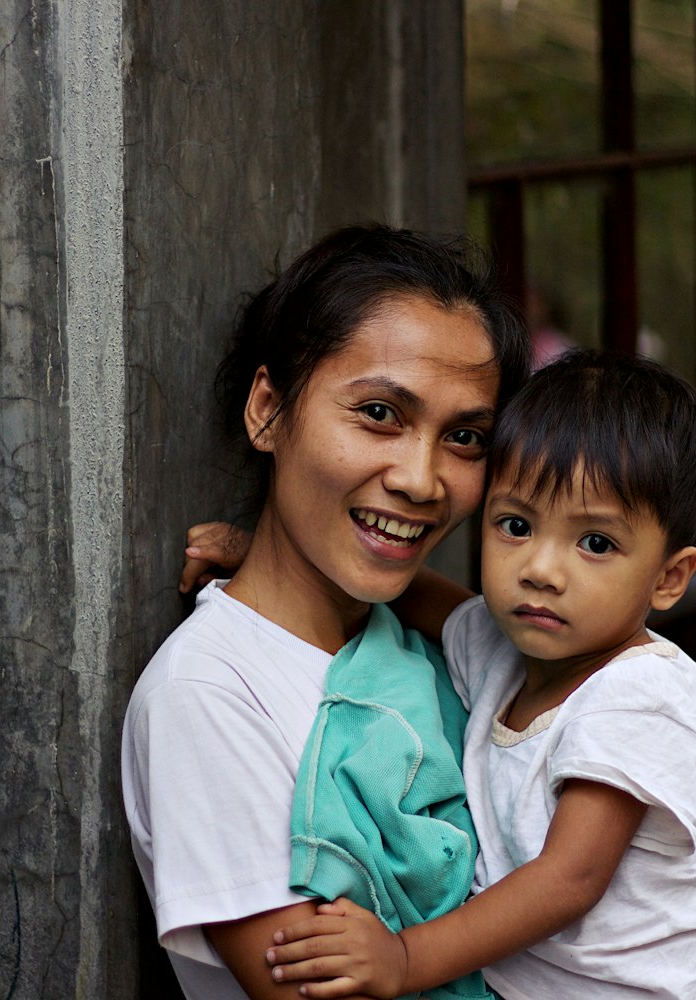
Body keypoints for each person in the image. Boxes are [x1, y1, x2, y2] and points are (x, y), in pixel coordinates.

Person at [121, 223, 530, 1000]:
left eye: (465, 437)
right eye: (379, 412)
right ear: (269, 411)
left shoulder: (437, 647)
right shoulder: (209, 698)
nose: (421, 479)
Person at [262, 349, 696, 999]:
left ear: (669, 577)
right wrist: (265, 560)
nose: (541, 568)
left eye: (595, 543)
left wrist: (403, 959)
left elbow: (567, 881)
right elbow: (403, 589)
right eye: (516, 525)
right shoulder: (501, 643)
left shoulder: (640, 697)